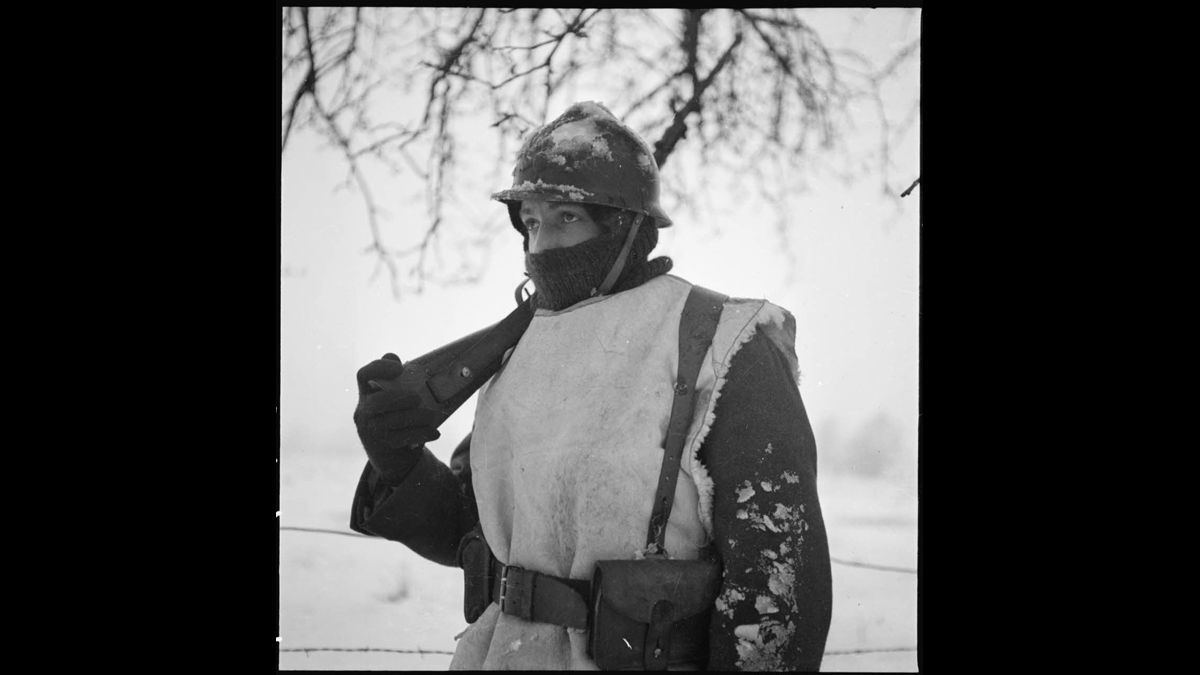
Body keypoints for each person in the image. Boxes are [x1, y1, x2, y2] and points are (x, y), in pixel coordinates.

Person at [349, 101, 832, 671]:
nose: (540, 247)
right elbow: (473, 532)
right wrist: (397, 460)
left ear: (626, 225)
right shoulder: (517, 350)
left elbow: (776, 583)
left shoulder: (720, 342)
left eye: (566, 218)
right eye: (530, 221)